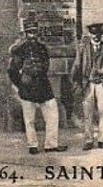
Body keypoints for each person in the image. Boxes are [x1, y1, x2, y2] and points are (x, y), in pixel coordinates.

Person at [8, 20, 65, 155]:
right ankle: (32, 145)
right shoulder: (20, 49)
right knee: (29, 119)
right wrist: (21, 85)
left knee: (52, 115)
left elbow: (46, 65)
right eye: (30, 32)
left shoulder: (42, 48)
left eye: (34, 32)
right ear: (26, 34)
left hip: (44, 86)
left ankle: (51, 144)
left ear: (37, 33)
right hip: (27, 88)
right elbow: (12, 71)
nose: (32, 35)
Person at [70, 22, 103, 150]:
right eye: (93, 34)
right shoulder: (83, 48)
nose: (95, 36)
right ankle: (88, 140)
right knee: (87, 113)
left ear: (101, 34)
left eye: (98, 34)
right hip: (88, 84)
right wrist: (76, 84)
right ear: (89, 34)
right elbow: (76, 67)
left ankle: (102, 139)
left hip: (102, 84)